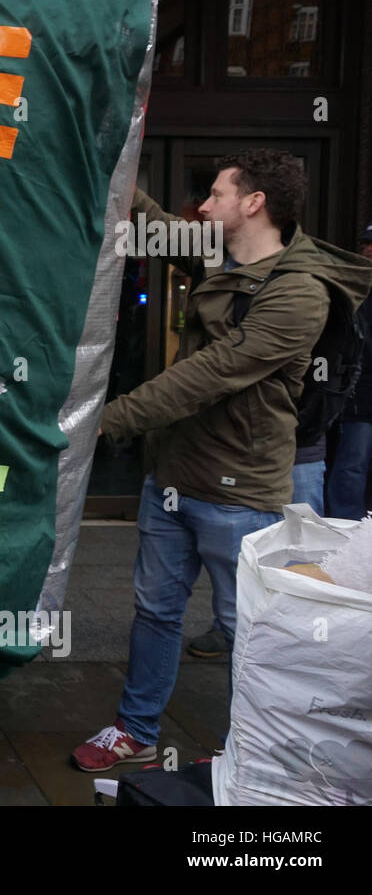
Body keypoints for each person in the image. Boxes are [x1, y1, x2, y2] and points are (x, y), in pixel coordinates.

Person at [73, 149, 372, 772]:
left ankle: (250, 752)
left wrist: (108, 419)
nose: (203, 206)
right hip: (173, 481)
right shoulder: (221, 255)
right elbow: (156, 224)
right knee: (155, 612)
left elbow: (212, 373)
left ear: (253, 203)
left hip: (240, 494)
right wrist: (117, 157)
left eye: (215, 195)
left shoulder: (300, 293)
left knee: (251, 633)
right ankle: (137, 730)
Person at [324, 225, 372, 520]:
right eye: (365, 243)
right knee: (352, 465)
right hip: (360, 395)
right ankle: (345, 529)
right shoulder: (355, 288)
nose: (368, 249)